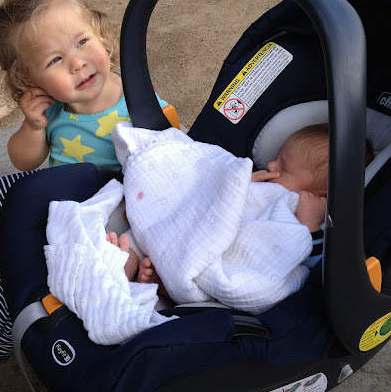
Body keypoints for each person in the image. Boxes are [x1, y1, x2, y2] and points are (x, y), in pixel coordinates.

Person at [0, 0, 168, 370]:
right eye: (54, 60)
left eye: (82, 42)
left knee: (24, 261)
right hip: (57, 197)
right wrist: (32, 126)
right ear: (31, 81)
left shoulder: (142, 103)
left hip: (104, 215)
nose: (77, 63)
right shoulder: (52, 110)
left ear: (101, 35)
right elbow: (24, 162)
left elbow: (172, 165)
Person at [135, 123, 374, 289]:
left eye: (284, 168)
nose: (270, 165)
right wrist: (240, 184)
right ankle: (156, 221)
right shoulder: (266, 187)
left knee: (232, 281)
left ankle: (173, 282)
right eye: (277, 157)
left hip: (239, 266)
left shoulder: (314, 223)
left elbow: (309, 264)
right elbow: (218, 196)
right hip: (207, 231)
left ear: (320, 194)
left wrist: (309, 224)